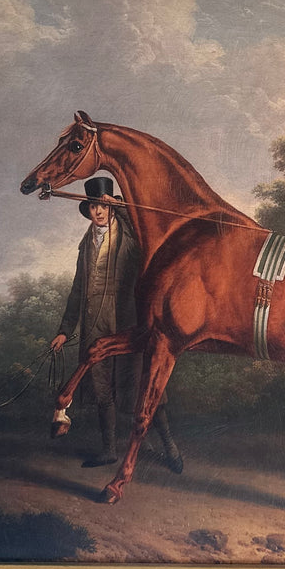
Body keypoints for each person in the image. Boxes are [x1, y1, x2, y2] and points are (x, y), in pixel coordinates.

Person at [50, 176, 181, 471]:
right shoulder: (86, 244)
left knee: (143, 387)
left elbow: (139, 218)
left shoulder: (131, 235)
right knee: (101, 390)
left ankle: (170, 446)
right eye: (95, 206)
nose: (99, 211)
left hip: (127, 324)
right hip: (94, 324)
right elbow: (76, 290)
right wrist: (64, 330)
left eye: (104, 206)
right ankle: (108, 450)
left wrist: (119, 205)